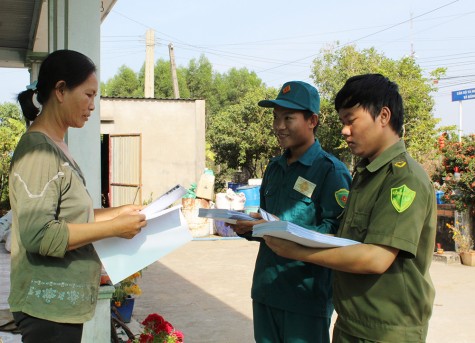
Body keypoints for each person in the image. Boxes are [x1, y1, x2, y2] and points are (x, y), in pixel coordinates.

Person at [264, 74, 437, 343]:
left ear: (383, 116)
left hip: (385, 330)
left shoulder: (403, 178)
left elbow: (376, 257)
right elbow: (349, 241)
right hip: (352, 322)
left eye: (351, 120)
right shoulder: (367, 174)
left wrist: (297, 250)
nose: (344, 130)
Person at [9, 49, 147, 343]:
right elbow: (39, 234)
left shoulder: (56, 146)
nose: (92, 105)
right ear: (60, 90)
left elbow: (72, 217)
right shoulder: (38, 151)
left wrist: (120, 212)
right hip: (47, 310)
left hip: (60, 309)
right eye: (88, 94)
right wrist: (114, 228)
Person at [231, 81, 351, 343]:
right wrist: (249, 227)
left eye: (288, 118)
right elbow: (266, 221)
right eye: (276, 118)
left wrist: (281, 230)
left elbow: (337, 233)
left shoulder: (331, 171)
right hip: (266, 289)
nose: (279, 126)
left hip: (305, 295)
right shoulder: (274, 169)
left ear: (312, 120)